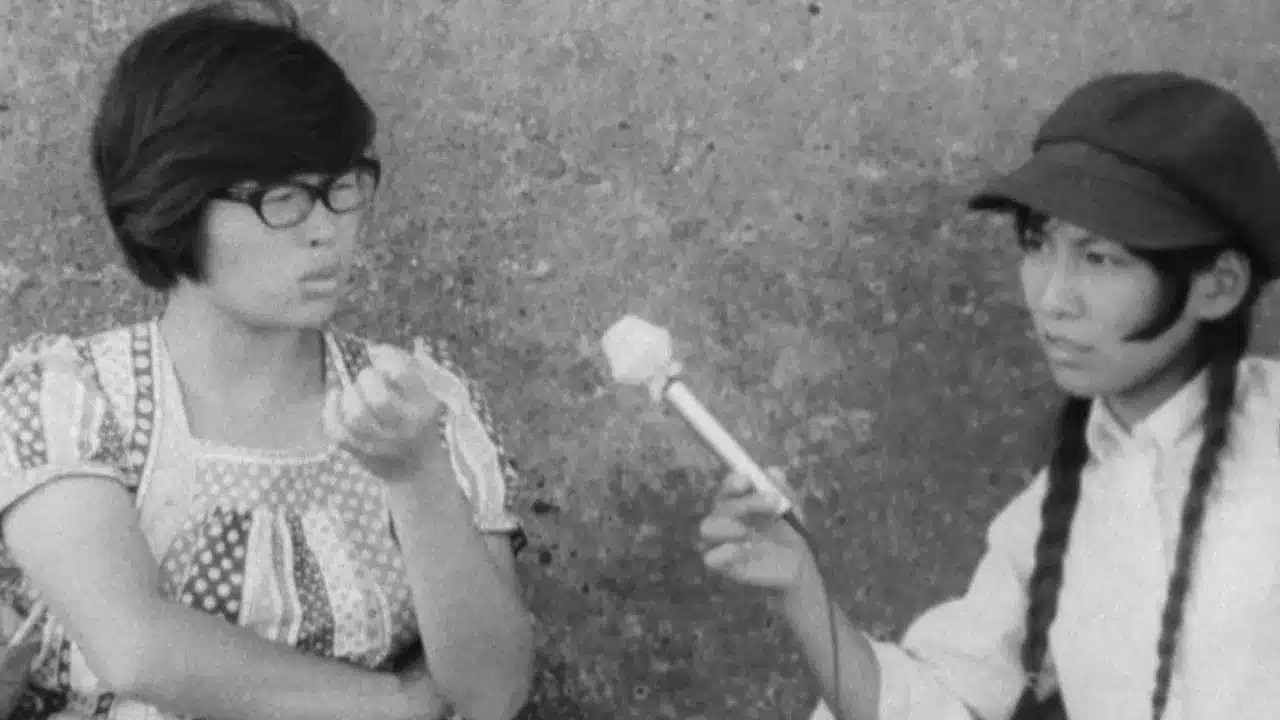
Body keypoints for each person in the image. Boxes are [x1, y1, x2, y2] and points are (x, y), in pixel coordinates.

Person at [0, 2, 535, 719]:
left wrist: (416, 475)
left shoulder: (416, 400)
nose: (326, 231)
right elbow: (135, 646)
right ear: (173, 202)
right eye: (283, 198)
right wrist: (395, 708)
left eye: (341, 188)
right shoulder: (72, 402)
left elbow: (493, 694)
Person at [697, 70, 1280, 720]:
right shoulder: (1054, 516)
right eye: (1038, 245)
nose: (1052, 299)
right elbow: (940, 707)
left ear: (1218, 285)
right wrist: (801, 586)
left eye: (1099, 259)